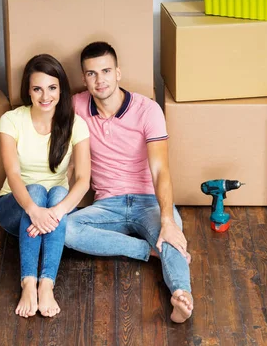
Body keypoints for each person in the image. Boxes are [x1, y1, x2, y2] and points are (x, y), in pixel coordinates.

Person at [64, 41, 193, 323]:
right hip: (106, 205)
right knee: (65, 229)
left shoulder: (148, 110)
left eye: (106, 71)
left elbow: (161, 171)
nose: (100, 80)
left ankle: (182, 296)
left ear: (118, 72)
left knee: (172, 238)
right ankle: (146, 251)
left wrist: (168, 220)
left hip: (148, 201)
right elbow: (68, 160)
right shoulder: (76, 106)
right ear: (84, 78)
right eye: (91, 73)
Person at [0, 54, 91, 319]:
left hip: (51, 213)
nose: (45, 96)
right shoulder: (11, 120)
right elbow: (13, 173)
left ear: (61, 89)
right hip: (14, 206)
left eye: (52, 88)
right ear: (29, 90)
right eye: (37, 88)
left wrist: (55, 213)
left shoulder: (76, 124)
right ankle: (28, 283)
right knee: (35, 190)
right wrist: (34, 210)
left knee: (59, 193)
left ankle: (46, 284)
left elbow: (83, 180)